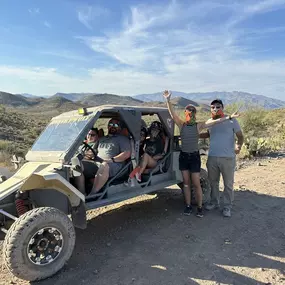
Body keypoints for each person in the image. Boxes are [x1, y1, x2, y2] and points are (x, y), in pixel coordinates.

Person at [163, 90, 240, 218]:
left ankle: (199, 207)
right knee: (186, 183)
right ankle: (188, 206)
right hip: (184, 157)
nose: (190, 113)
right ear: (185, 113)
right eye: (188, 111)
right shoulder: (181, 124)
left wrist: (229, 117)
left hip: (194, 157)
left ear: (195, 113)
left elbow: (215, 122)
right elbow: (172, 114)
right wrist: (168, 100)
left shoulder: (199, 126)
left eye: (192, 111)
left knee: (196, 183)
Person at [201, 99, 244, 217]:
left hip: (228, 157)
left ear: (222, 108)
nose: (215, 109)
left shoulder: (232, 120)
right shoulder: (209, 121)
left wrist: (238, 146)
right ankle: (214, 202)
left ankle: (227, 206)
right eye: (213, 107)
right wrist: (193, 134)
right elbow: (209, 135)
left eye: (218, 107)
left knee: (228, 184)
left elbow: (240, 136)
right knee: (213, 182)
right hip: (212, 157)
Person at [90, 118, 131, 194]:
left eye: (115, 125)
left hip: (115, 165)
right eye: (111, 124)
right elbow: (93, 151)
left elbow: (126, 154)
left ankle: (93, 194)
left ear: (119, 127)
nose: (113, 126)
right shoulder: (102, 139)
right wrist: (89, 155)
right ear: (108, 126)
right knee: (79, 165)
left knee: (104, 165)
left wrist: (110, 160)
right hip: (97, 162)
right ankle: (80, 192)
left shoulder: (123, 139)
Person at [74, 128, 100, 195]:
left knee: (77, 166)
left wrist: (83, 155)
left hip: (93, 164)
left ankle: (82, 193)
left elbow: (90, 155)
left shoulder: (97, 144)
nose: (90, 136)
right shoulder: (82, 144)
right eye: (88, 134)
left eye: (92, 135)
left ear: (97, 136)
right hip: (82, 162)